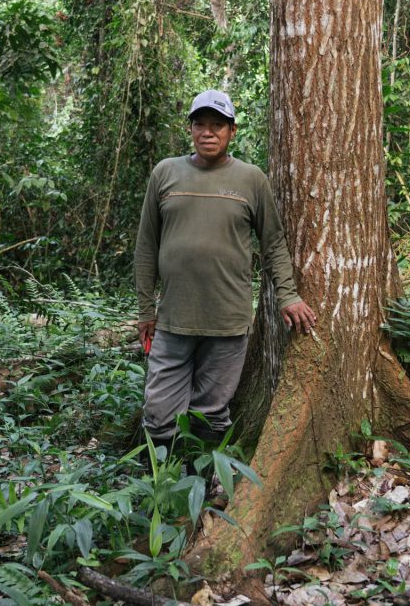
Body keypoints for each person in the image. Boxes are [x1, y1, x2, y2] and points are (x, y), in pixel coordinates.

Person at [134, 89, 316, 456]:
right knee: (158, 413)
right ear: (190, 129)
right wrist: (145, 311)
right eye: (200, 124)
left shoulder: (251, 179)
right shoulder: (165, 173)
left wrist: (288, 295)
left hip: (228, 323)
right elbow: (146, 247)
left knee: (211, 414)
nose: (208, 132)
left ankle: (197, 488)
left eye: (217, 125)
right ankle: (161, 487)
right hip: (173, 321)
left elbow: (274, 242)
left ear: (232, 131)